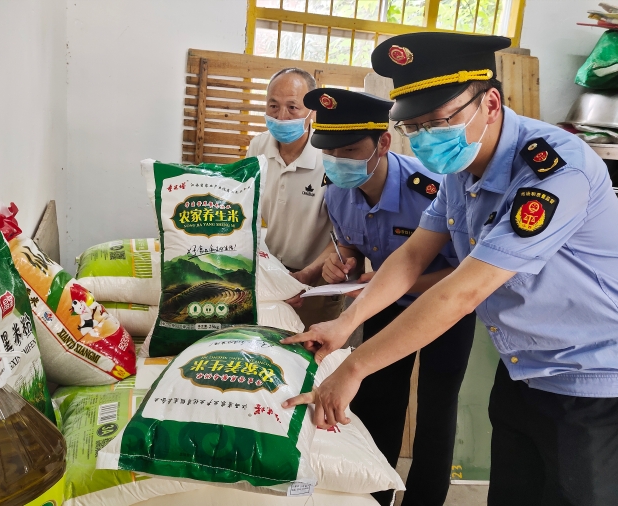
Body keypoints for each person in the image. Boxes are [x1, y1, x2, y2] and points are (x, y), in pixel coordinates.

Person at [282, 32, 618, 506]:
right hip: (524, 369)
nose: (425, 140)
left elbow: (461, 291)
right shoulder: (463, 174)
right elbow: (413, 254)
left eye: (437, 122)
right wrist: (345, 323)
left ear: (491, 103)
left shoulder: (555, 171)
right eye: (412, 128)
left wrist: (354, 367)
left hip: (591, 379)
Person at [297, 87, 476, 506]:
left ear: (383, 141)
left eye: (350, 149)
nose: (339, 160)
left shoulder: (434, 190)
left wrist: (391, 283)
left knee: (436, 410)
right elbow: (352, 246)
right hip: (383, 306)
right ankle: (374, 495)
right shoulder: (338, 191)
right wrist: (344, 264)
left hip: (445, 311)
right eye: (329, 151)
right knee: (379, 404)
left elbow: (467, 273)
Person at [247, 68, 341, 329]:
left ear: (313, 112)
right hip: (267, 277)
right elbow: (245, 208)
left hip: (316, 283)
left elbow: (345, 235)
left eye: (292, 107)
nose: (281, 116)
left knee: (307, 356)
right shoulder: (257, 148)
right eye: (273, 106)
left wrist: (304, 276)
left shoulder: (331, 156)